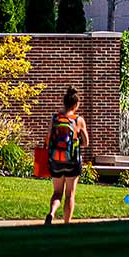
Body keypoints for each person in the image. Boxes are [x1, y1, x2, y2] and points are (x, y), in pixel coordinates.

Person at [44, 85, 88, 225]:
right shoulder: (78, 120)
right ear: (76, 104)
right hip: (72, 162)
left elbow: (48, 139)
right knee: (70, 193)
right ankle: (67, 224)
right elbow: (86, 142)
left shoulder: (55, 118)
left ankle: (52, 213)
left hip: (56, 161)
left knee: (57, 192)